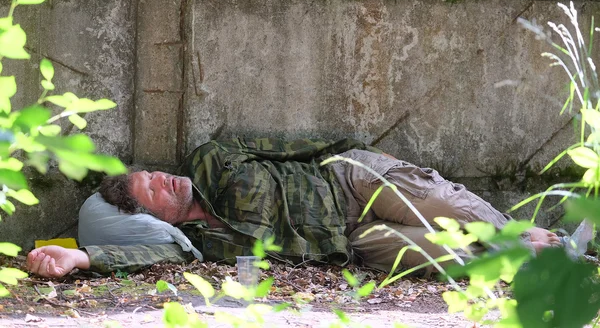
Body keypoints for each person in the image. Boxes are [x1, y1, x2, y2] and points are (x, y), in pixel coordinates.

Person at [26, 138, 560, 278]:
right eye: (155, 191)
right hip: (344, 243)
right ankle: (523, 255)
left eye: (154, 174)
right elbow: (145, 256)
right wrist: (83, 259)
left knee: (438, 201)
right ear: (156, 217)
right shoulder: (203, 248)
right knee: (430, 250)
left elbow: (288, 148)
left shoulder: (211, 157)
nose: (166, 179)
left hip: (347, 180)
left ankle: (522, 232)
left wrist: (360, 149)